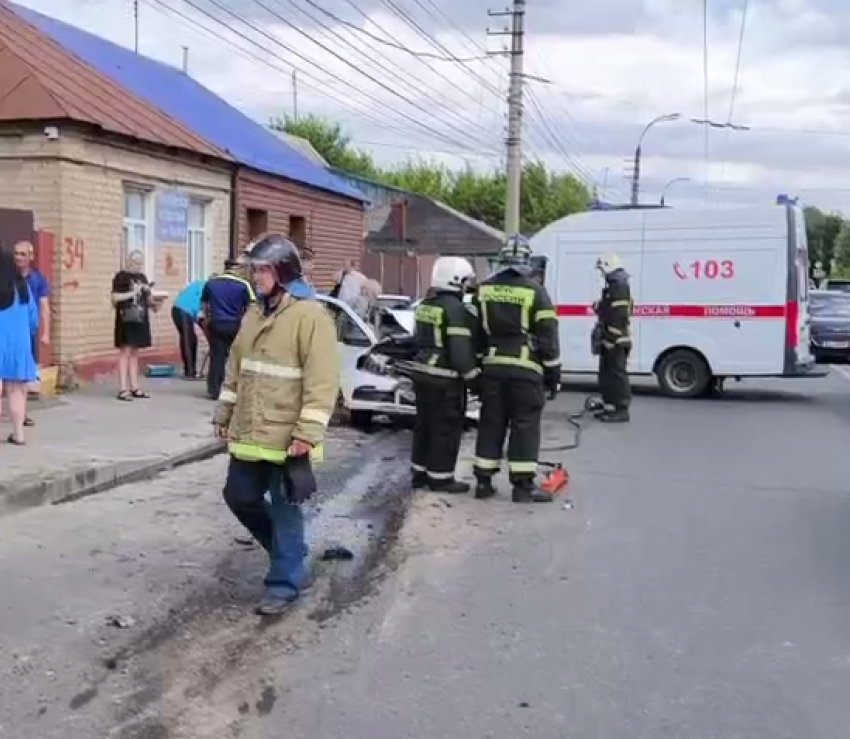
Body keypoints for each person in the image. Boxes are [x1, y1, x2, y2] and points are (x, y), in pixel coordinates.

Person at [214, 233, 339, 616]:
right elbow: (236, 369)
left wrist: (307, 433)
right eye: (254, 269)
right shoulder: (255, 312)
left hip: (289, 437)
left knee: (285, 509)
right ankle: (292, 557)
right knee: (239, 495)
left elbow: (322, 381)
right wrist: (223, 415)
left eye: (263, 269)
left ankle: (284, 582)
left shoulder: (310, 315)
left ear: (283, 272)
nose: (256, 276)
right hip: (251, 431)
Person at [471, 234, 561, 504]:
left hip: (492, 368)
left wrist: (477, 368)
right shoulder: (535, 291)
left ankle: (483, 483)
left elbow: (475, 335)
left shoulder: (483, 290)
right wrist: (553, 374)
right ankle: (522, 488)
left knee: (491, 423)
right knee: (524, 425)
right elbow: (548, 336)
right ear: (526, 261)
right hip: (525, 370)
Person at [409, 257, 479, 493]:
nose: (468, 286)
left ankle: (419, 473)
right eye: (466, 281)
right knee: (445, 428)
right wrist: (474, 377)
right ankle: (441, 478)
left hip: (422, 374)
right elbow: (460, 351)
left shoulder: (425, 304)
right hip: (445, 378)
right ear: (457, 280)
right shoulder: (456, 310)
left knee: (424, 426)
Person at [0, 245, 39, 444]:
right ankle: (18, 434)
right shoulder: (22, 286)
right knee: (16, 391)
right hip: (19, 344)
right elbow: (33, 317)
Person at [202, 259, 255, 400]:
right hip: (235, 325)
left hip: (216, 323)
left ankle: (214, 390)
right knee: (236, 357)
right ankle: (233, 389)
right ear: (236, 268)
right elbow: (252, 306)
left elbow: (204, 303)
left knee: (217, 356)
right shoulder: (243, 284)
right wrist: (246, 322)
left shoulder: (211, 283)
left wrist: (207, 318)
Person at [13, 240, 50, 427]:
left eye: (22, 254)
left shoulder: (38, 279)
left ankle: (22, 413)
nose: (18, 258)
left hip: (28, 332)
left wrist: (46, 333)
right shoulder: (7, 277)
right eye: (16, 254)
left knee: (24, 375)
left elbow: (44, 307)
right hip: (8, 331)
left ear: (31, 256)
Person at [593, 254, 632, 423]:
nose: (601, 273)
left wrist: (610, 339)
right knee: (607, 374)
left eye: (602, 269)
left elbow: (619, 316)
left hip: (616, 340)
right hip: (610, 338)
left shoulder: (619, 288)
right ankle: (610, 406)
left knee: (616, 375)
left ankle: (621, 410)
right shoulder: (614, 286)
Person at [112, 250, 155, 401]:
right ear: (129, 262)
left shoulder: (142, 277)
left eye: (141, 263)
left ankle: (135, 387)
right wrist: (133, 292)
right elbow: (115, 298)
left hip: (140, 318)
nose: (139, 266)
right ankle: (123, 388)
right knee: (125, 351)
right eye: (136, 263)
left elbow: (148, 301)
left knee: (135, 353)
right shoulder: (121, 276)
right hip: (126, 319)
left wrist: (149, 294)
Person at [172, 278, 205, 378]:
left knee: (192, 339)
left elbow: (199, 315)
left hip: (178, 310)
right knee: (188, 340)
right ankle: (190, 371)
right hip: (183, 310)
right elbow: (205, 311)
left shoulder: (200, 284)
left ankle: (191, 369)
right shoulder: (208, 288)